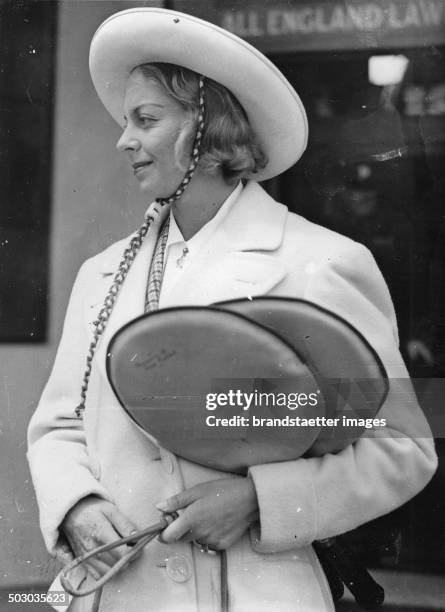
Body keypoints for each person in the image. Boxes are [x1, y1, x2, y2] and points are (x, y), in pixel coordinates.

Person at [27, 8, 437, 612]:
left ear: (209, 127)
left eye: (146, 119)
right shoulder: (103, 275)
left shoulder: (320, 262)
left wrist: (260, 499)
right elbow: (60, 426)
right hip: (119, 595)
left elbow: (398, 446)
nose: (124, 140)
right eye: (125, 121)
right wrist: (78, 506)